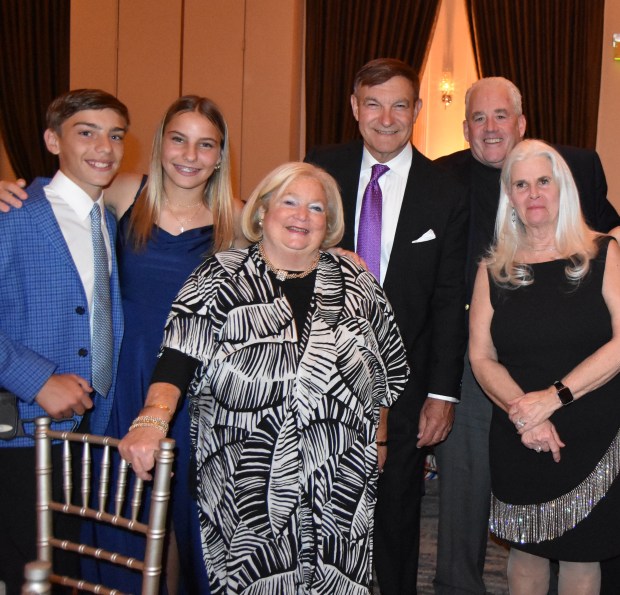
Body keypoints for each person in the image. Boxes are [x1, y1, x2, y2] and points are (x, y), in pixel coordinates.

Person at [118, 161, 409, 594]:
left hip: (340, 480)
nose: (302, 216)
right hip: (247, 483)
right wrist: (152, 417)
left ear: (328, 223)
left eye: (316, 208)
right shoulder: (218, 275)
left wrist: (380, 439)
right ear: (262, 211)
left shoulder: (357, 281)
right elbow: (177, 359)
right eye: (289, 202)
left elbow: (384, 370)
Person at [0, 95, 244, 594]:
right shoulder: (123, 193)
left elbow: (297, 236)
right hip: (124, 385)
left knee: (192, 529)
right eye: (178, 139)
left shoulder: (236, 219)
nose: (190, 155)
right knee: (113, 521)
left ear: (220, 155)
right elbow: (55, 196)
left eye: (206, 144)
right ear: (158, 145)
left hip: (199, 392)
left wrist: (336, 250)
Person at [433, 77, 620, 595]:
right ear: (508, 196)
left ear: (563, 187)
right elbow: (481, 354)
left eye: (544, 182)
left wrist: (552, 400)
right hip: (517, 424)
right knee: (526, 554)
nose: (533, 193)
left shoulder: (603, 253)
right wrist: (523, 410)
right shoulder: (494, 268)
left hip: (590, 421)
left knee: (583, 559)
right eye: (521, 185)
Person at [305, 58, 468, 595]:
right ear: (355, 108)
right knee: (318, 513)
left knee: (397, 515)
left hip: (403, 388)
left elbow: (449, 301)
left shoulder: (445, 191)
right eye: (373, 103)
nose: (386, 117)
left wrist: (442, 394)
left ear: (417, 111)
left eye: (400, 104)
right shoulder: (318, 170)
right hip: (318, 380)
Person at [0, 89, 127, 595]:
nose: (105, 147)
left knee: (70, 574)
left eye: (116, 135)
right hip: (21, 434)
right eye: (87, 132)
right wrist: (38, 381)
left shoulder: (113, 221)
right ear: (53, 140)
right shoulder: (14, 213)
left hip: (93, 433)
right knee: (30, 576)